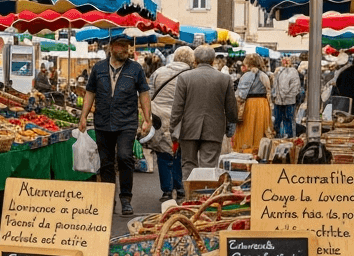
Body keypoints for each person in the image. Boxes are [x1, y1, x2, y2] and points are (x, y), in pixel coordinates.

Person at [79, 36, 151, 216]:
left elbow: (143, 94)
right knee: (106, 162)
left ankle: (126, 199)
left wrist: (147, 119)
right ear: (111, 48)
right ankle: (108, 198)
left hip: (127, 121)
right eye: (121, 46)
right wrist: (83, 116)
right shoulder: (98, 68)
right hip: (103, 121)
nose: (126, 49)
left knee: (125, 156)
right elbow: (90, 92)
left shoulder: (135, 68)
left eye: (127, 46)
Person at [171, 45, 237, 177]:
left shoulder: (184, 78)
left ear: (195, 60)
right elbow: (231, 109)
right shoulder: (224, 79)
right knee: (209, 166)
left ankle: (189, 195)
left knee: (188, 165)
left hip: (189, 127)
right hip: (214, 128)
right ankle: (205, 195)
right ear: (213, 61)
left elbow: (177, 107)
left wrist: (172, 128)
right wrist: (232, 123)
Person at [147, 46, 194, 202]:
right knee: (179, 153)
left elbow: (150, 95)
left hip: (160, 117)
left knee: (163, 152)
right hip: (181, 118)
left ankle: (167, 191)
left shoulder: (158, 72)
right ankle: (180, 188)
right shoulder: (191, 74)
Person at [233, 53, 273, 151]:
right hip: (263, 104)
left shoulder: (248, 75)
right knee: (260, 128)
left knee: (248, 128)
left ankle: (247, 150)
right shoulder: (264, 75)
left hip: (251, 104)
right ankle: (259, 150)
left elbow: (241, 95)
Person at [271, 56, 302, 137]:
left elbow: (295, 86)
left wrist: (287, 96)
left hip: (289, 101)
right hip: (278, 101)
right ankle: (277, 137)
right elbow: (275, 85)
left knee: (288, 121)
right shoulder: (278, 71)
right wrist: (274, 96)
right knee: (277, 121)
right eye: (283, 60)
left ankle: (289, 137)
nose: (285, 61)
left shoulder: (293, 71)